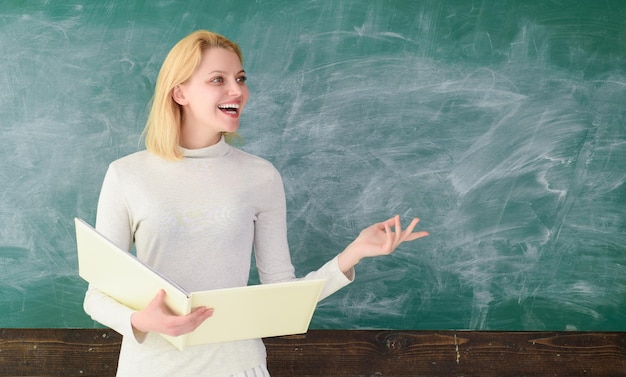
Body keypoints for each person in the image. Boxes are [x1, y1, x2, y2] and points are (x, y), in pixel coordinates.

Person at [83, 30, 429, 377]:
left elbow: (281, 295)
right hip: (151, 368)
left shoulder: (259, 176)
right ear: (180, 92)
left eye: (240, 78)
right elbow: (96, 297)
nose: (237, 90)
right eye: (218, 79)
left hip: (238, 367)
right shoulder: (127, 175)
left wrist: (351, 255)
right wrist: (140, 320)